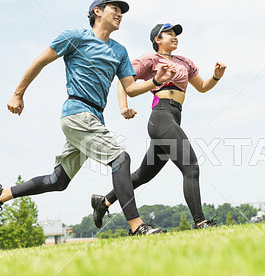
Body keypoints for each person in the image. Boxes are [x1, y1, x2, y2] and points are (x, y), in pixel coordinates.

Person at [0, 1, 177, 236]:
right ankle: (137, 226)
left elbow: (131, 88)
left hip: (95, 117)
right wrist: (17, 93)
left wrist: (156, 80)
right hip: (77, 112)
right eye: (115, 8)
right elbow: (40, 61)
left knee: (58, 180)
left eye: (122, 11)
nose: (120, 14)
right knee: (120, 159)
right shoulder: (75, 36)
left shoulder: (120, 51)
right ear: (97, 11)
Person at [92, 23, 226, 229]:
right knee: (191, 166)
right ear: (157, 39)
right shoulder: (149, 59)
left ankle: (104, 202)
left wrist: (216, 76)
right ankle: (200, 223)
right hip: (161, 117)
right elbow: (124, 80)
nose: (174, 37)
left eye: (176, 34)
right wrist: (123, 106)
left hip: (174, 116)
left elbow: (202, 87)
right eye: (169, 34)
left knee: (142, 175)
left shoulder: (184, 61)